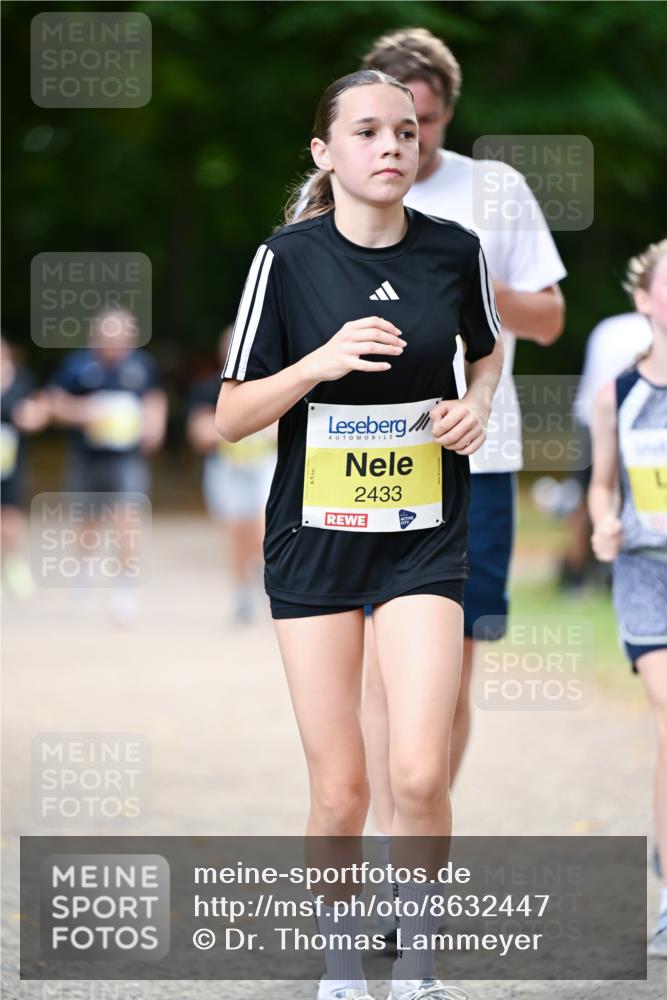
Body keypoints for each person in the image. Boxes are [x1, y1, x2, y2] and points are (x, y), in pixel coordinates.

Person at [217, 69, 503, 1000]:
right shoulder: (286, 260)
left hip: (423, 535)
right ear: (325, 152)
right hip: (316, 543)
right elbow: (229, 416)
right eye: (369, 131)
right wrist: (321, 360)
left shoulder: (454, 251)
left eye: (407, 132)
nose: (392, 146)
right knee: (340, 789)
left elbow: (488, 351)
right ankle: (342, 968)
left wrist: (474, 406)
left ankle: (415, 966)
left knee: (418, 772)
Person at [356, 27, 566, 867]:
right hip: (366, 457)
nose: (407, 143)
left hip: (478, 460)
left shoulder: (496, 191)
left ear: (446, 113)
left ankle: (420, 844)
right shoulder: (343, 186)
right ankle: (379, 845)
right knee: (376, 668)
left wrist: (460, 282)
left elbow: (548, 320)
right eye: (388, 124)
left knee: (449, 675)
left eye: (425, 124)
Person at [588, 239, 667, 959]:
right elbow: (600, 481)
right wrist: (602, 521)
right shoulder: (619, 389)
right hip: (647, 575)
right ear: (643, 301)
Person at [50, 308, 167, 623]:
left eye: (122, 336)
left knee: (127, 520)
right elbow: (55, 403)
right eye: (109, 335)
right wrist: (83, 412)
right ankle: (85, 572)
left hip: (126, 457)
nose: (115, 341)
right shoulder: (77, 365)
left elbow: (155, 400)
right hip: (87, 456)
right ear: (97, 335)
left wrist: (154, 425)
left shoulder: (141, 366)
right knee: (87, 522)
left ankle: (124, 588)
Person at [558, 311, 654, 593]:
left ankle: (575, 579)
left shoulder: (607, 327)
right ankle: (611, 572)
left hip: (589, 417)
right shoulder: (649, 333)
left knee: (585, 497)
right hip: (628, 419)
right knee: (628, 495)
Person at [186, 326, 276, 623]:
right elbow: (201, 433)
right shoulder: (208, 389)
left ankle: (269, 584)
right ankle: (241, 593)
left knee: (265, 526)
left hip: (265, 466)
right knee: (237, 531)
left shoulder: (272, 385)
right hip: (228, 469)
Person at [1, 334, 50, 597]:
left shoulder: (22, 379)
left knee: (9, 517)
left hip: (11, 460)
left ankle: (11, 563)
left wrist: (31, 416)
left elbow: (40, 408)